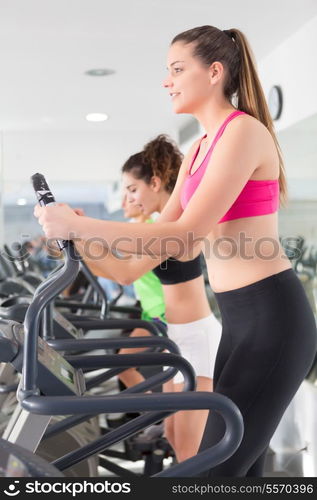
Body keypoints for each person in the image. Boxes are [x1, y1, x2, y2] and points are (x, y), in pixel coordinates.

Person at [34, 25, 317, 476]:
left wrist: (82, 223)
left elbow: (187, 235)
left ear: (214, 72)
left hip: (273, 319)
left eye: (177, 69)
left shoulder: (242, 133)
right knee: (239, 468)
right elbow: (142, 257)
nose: (167, 80)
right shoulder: (199, 149)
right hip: (240, 320)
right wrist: (76, 235)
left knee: (215, 469)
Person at [75, 135, 222, 462]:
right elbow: (116, 266)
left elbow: (123, 272)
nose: (129, 198)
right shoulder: (163, 225)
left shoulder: (165, 227)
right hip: (178, 337)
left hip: (197, 340)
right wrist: (77, 239)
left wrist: (78, 231)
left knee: (188, 451)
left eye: (132, 189)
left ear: (155, 183)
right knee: (171, 435)